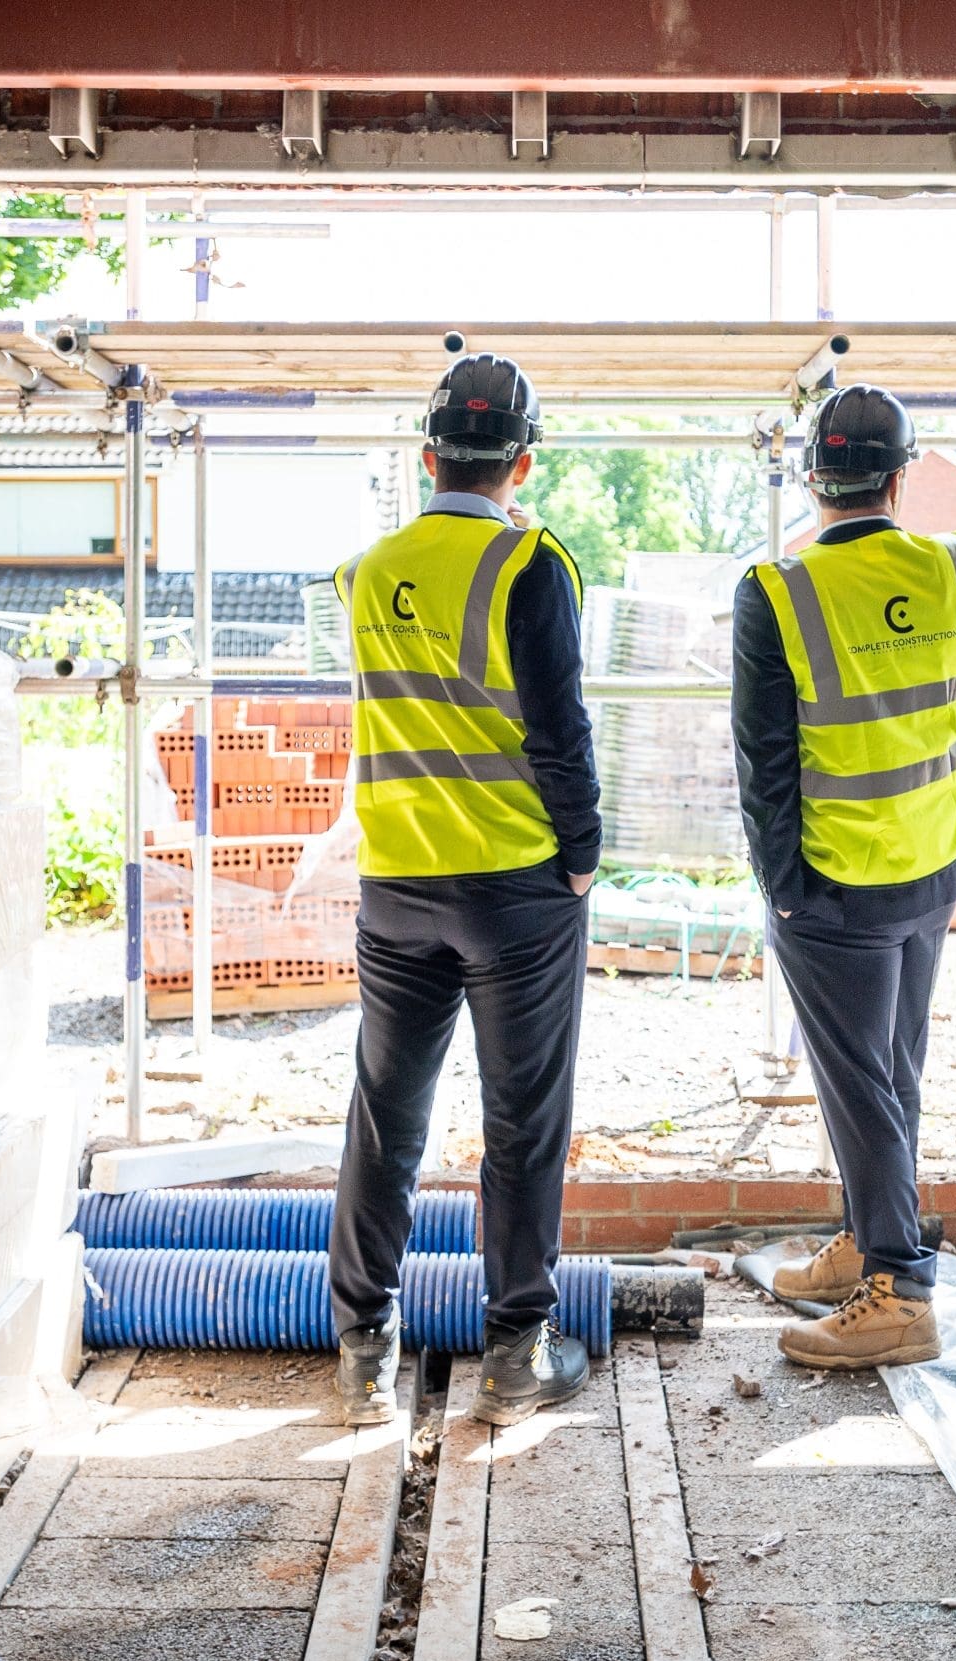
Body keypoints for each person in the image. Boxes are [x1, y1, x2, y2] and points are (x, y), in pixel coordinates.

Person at [733, 385, 956, 1369]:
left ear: (811, 477)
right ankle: (865, 1243)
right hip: (935, 864)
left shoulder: (779, 591)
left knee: (859, 1084)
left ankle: (899, 1288)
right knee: (891, 1071)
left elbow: (763, 763)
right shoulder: (954, 568)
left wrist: (781, 886)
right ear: (900, 475)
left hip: (837, 885)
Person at [327, 352, 601, 1425]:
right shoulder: (532, 565)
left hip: (398, 883)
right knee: (522, 1118)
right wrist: (580, 849)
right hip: (514, 891)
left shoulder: (366, 570)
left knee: (385, 1115)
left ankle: (359, 1355)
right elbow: (559, 728)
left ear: (426, 454)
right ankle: (515, 1353)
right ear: (521, 464)